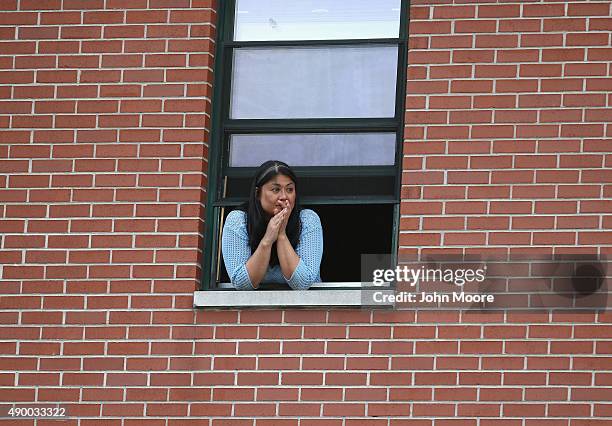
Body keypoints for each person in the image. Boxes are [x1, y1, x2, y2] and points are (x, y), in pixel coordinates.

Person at [221, 160, 323, 290]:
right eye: (276, 189)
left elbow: (302, 283)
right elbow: (242, 284)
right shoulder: (238, 220)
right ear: (258, 193)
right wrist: (267, 240)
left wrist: (281, 234)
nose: (284, 196)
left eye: (290, 189)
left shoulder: (307, 220)